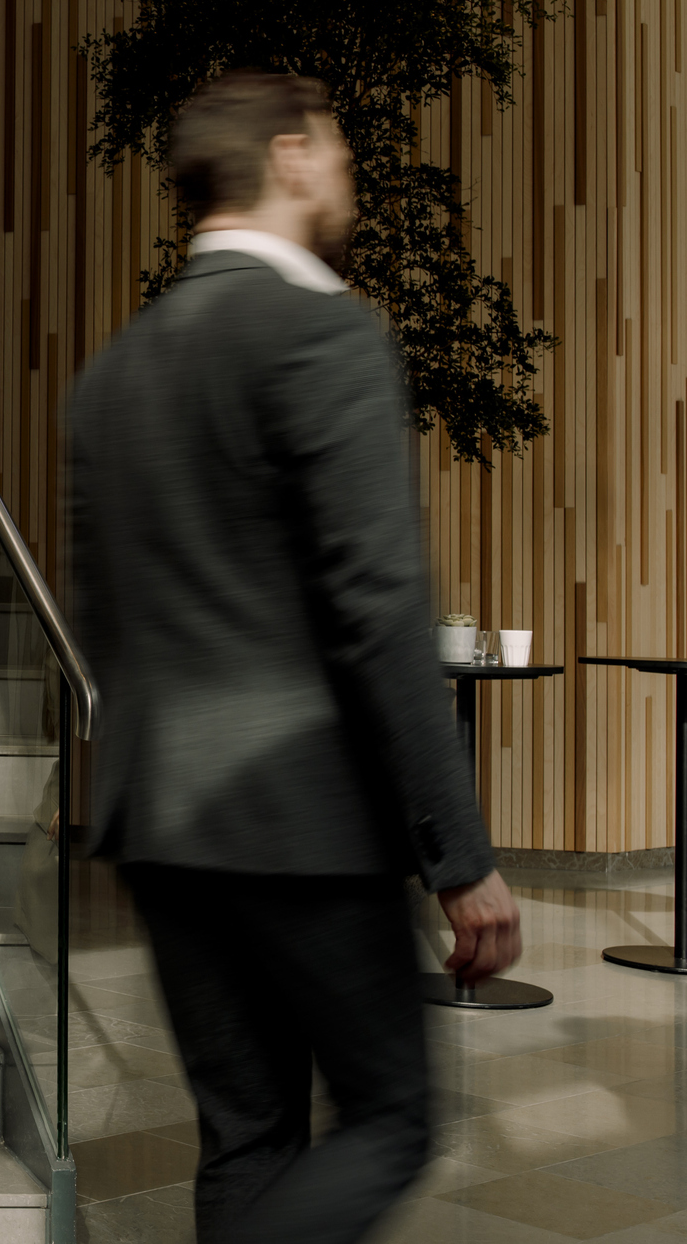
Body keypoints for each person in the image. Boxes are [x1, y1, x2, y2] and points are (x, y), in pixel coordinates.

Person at [68, 69, 523, 1244]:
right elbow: (377, 608)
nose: (351, 175)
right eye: (340, 147)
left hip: (159, 815)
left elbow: (99, 617)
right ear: (291, 153)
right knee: (394, 1119)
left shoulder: (111, 376)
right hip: (298, 815)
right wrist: (458, 856)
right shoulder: (321, 328)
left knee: (248, 1137)